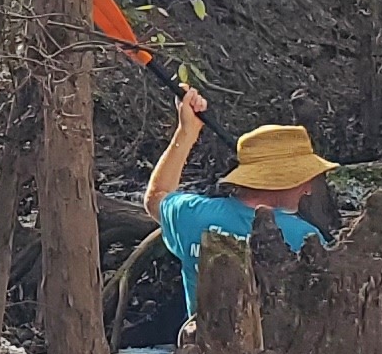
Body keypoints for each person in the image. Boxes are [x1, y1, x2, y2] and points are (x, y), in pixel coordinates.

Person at [144, 88, 337, 268]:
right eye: (304, 178)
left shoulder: (193, 215)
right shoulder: (305, 238)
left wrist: (187, 132)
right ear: (281, 179)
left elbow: (155, 197)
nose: (308, 189)